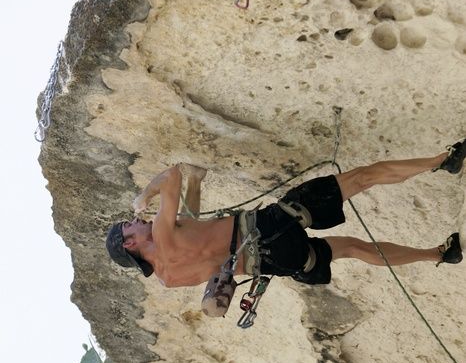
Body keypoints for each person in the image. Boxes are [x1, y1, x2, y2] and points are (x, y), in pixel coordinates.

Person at [106, 142, 465, 289]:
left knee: (353, 249)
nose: (139, 219)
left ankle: (439, 254)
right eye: (131, 224)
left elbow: (191, 227)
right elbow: (172, 175)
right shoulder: (160, 233)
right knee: (359, 179)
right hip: (269, 228)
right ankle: (442, 161)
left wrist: (197, 182)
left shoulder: (169, 277)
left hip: (277, 262)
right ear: (131, 242)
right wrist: (144, 194)